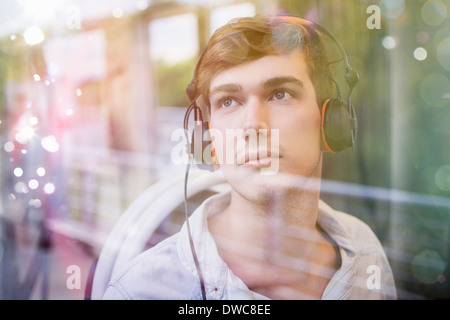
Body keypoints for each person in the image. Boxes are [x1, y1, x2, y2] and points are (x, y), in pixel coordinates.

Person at [102, 14, 397, 300]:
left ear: (329, 120)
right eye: (228, 101)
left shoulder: (365, 252)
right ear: (207, 138)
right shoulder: (141, 292)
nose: (253, 124)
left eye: (280, 94)